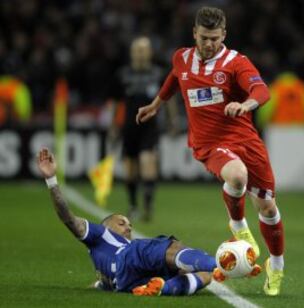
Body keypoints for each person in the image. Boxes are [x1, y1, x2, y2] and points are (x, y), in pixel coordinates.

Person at [136, 6, 285, 296]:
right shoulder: (181, 58)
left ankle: (276, 266)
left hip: (245, 139)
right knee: (237, 176)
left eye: (215, 38)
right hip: (209, 143)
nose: (209, 44)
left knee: (268, 207)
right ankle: (238, 224)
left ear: (224, 35)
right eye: (204, 37)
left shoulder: (235, 63)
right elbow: (174, 79)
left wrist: (245, 105)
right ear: (195, 33)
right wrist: (156, 104)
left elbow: (262, 91)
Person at [37, 147, 227, 296]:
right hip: (128, 257)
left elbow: (98, 285)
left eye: (128, 224)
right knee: (172, 247)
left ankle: (165, 288)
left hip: (130, 284)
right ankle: (222, 263)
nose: (128, 226)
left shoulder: (104, 277)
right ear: (105, 227)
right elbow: (67, 218)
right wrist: (51, 180)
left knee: (204, 275)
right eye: (121, 223)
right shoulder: (100, 235)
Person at [108, 36, 178, 222]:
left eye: (143, 49)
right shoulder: (122, 75)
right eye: (137, 49)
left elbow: (168, 99)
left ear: (149, 52)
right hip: (129, 128)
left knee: (148, 164)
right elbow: (115, 103)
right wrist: (113, 126)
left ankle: (147, 207)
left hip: (150, 128)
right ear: (132, 52)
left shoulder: (158, 73)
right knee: (130, 170)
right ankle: (133, 205)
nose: (140, 53)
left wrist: (173, 121)